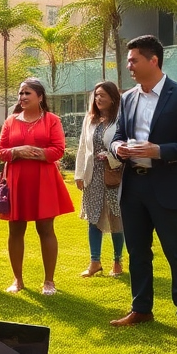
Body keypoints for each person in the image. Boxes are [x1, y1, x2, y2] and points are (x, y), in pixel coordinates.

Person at [110, 35, 177, 338]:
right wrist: (118, 149)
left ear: (153, 60)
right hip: (133, 187)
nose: (129, 65)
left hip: (167, 185)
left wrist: (160, 151)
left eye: (134, 60)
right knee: (138, 252)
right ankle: (141, 309)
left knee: (176, 253)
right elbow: (117, 135)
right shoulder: (127, 98)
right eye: (128, 60)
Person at [0, 78, 75, 295]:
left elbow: (58, 149)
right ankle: (17, 280)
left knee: (46, 229)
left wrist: (38, 153)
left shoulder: (52, 120)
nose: (22, 97)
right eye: (20, 93)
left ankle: (49, 281)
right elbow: (0, 150)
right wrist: (17, 151)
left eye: (27, 93)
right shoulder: (10, 121)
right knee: (16, 229)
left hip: (44, 180)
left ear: (40, 97)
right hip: (17, 181)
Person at [74, 81, 125, 277]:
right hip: (92, 175)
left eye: (102, 95)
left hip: (112, 174)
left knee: (116, 218)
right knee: (93, 218)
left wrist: (111, 157)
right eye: (96, 95)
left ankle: (117, 261)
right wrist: (79, 174)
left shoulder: (120, 120)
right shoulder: (91, 119)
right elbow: (82, 147)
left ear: (113, 98)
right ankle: (94, 262)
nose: (98, 99)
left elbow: (124, 145)